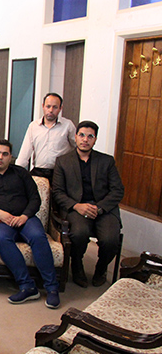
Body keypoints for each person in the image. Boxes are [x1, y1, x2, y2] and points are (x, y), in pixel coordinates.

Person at [0, 139, 60, 309]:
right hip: (1, 222)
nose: (0, 157)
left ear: (10, 157)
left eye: (5, 154)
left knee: (38, 236)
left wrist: (25, 216)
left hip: (25, 219)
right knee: (1, 238)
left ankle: (52, 288)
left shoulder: (21, 173)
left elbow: (35, 198)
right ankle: (27, 286)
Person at [52, 121, 125, 288]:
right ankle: (77, 266)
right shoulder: (63, 161)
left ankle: (101, 269)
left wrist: (99, 208)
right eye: (82, 135)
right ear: (76, 137)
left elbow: (117, 190)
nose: (85, 139)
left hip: (103, 209)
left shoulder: (106, 161)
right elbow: (58, 192)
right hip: (77, 208)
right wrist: (76, 206)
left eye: (90, 136)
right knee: (78, 234)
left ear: (95, 139)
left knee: (110, 240)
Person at [16, 93, 76, 182]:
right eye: (48, 106)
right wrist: (16, 172)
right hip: (38, 171)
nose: (51, 110)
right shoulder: (33, 126)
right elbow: (25, 152)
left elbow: (78, 146)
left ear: (60, 108)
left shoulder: (68, 125)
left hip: (60, 172)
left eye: (55, 107)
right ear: (43, 106)